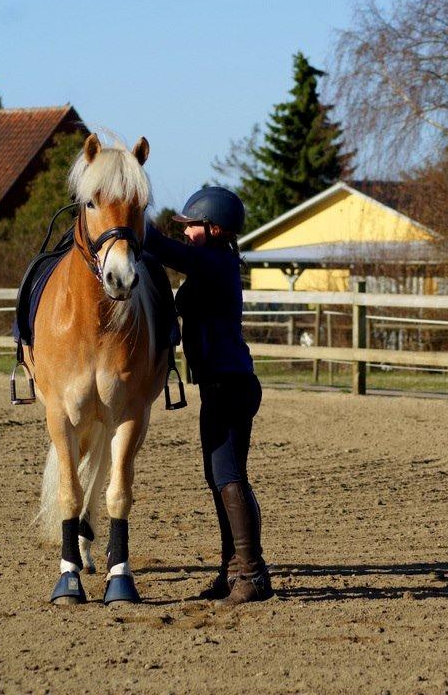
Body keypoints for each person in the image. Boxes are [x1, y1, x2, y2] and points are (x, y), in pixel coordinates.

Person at [144, 186, 273, 605]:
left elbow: (166, 249)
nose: (186, 232)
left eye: (192, 226)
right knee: (221, 478)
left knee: (229, 478)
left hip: (229, 385)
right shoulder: (214, 262)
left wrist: (130, 220)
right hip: (220, 384)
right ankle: (233, 571)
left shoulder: (213, 261)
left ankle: (251, 575)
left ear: (215, 229)